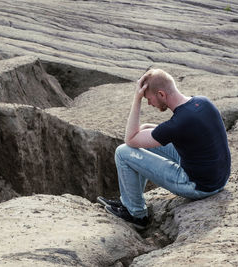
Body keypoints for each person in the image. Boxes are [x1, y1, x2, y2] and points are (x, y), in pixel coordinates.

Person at [97, 69, 231, 230]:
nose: (149, 103)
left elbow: (130, 140)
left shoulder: (178, 123)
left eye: (148, 98)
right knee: (145, 129)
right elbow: (148, 134)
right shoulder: (203, 102)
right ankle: (129, 201)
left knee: (123, 152)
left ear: (161, 94)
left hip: (198, 186)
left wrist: (136, 99)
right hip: (218, 178)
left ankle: (136, 215)